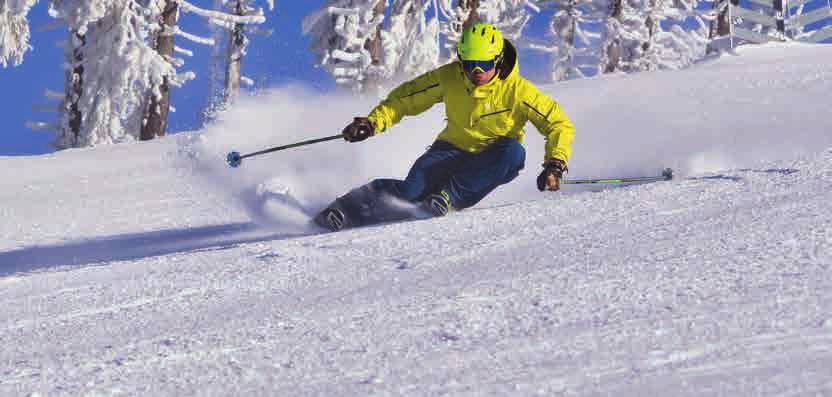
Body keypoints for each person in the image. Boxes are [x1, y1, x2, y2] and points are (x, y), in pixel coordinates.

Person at [314, 23, 575, 232]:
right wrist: (373, 123)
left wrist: (555, 163)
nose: (474, 72)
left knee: (514, 153)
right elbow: (405, 99)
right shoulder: (451, 77)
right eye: (468, 64)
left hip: (490, 159)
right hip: (449, 150)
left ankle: (447, 197)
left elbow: (558, 124)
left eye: (482, 65)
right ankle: (344, 211)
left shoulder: (519, 91)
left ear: (497, 61)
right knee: (410, 191)